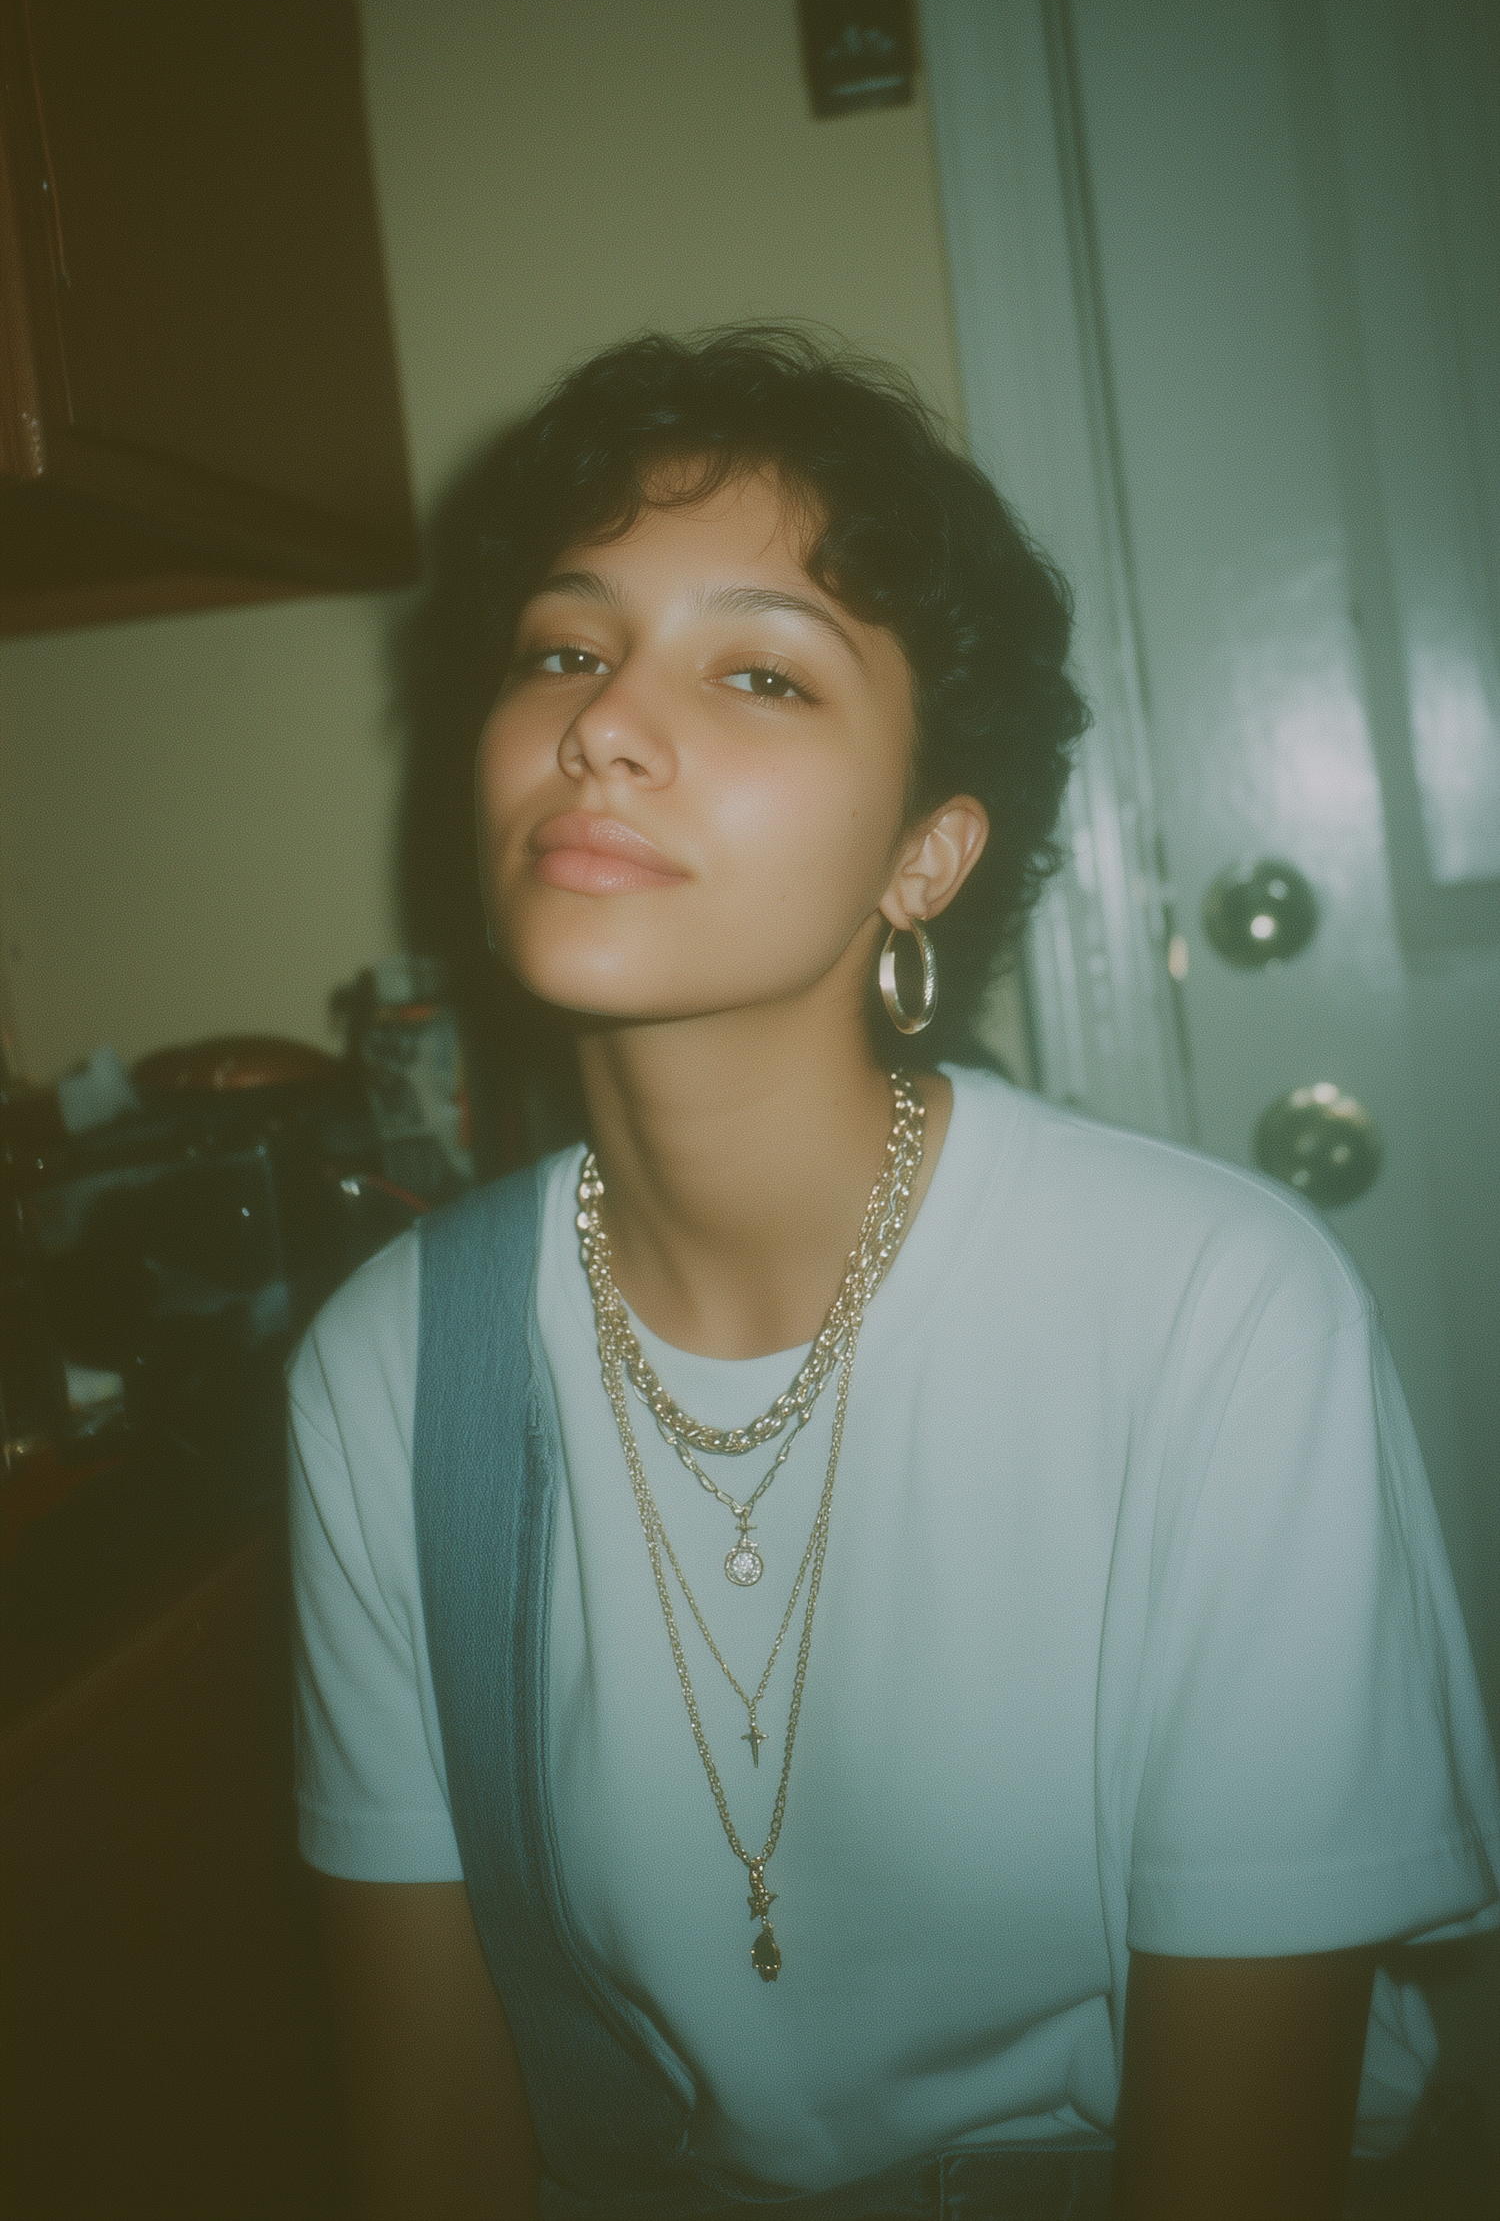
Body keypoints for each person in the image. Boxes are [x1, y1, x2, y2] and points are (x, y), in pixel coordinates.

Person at [288, 327, 1499, 2221]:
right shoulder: (391, 1371)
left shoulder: (1212, 1314)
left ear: (925, 857)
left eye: (760, 672)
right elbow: (433, 2130)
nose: (603, 726)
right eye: (563, 650)